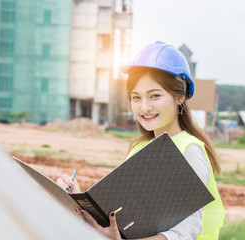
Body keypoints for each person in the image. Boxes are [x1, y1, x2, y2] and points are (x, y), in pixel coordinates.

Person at [57, 41, 225, 240]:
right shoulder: (139, 148)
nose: (144, 107)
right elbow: (127, 216)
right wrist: (81, 202)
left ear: (179, 96)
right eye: (136, 97)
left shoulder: (190, 151)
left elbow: (184, 234)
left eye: (154, 96)